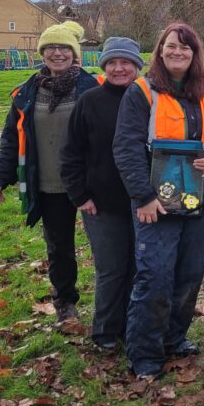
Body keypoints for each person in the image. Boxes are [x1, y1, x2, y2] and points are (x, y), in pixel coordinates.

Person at [113, 23, 204, 379]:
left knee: (189, 273)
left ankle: (174, 338)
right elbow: (126, 147)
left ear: (195, 52)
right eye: (171, 46)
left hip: (199, 200)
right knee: (154, 277)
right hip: (156, 204)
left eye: (185, 47)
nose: (177, 53)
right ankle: (145, 354)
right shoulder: (142, 91)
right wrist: (143, 196)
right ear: (160, 49)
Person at [0, 20, 101, 323]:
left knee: (106, 244)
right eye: (51, 47)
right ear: (42, 53)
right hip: (51, 184)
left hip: (92, 184)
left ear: (75, 53)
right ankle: (65, 302)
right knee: (59, 248)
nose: (57, 53)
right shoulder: (27, 93)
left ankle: (112, 303)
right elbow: (12, 138)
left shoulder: (94, 88)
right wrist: (1, 176)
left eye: (64, 47)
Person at [60, 37, 143, 351]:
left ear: (137, 66)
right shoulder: (91, 101)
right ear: (104, 66)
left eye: (125, 63)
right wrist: (80, 196)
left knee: (139, 269)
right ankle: (106, 332)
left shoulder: (150, 98)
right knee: (111, 269)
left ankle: (133, 328)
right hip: (101, 204)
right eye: (112, 63)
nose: (119, 68)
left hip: (144, 201)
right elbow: (71, 153)